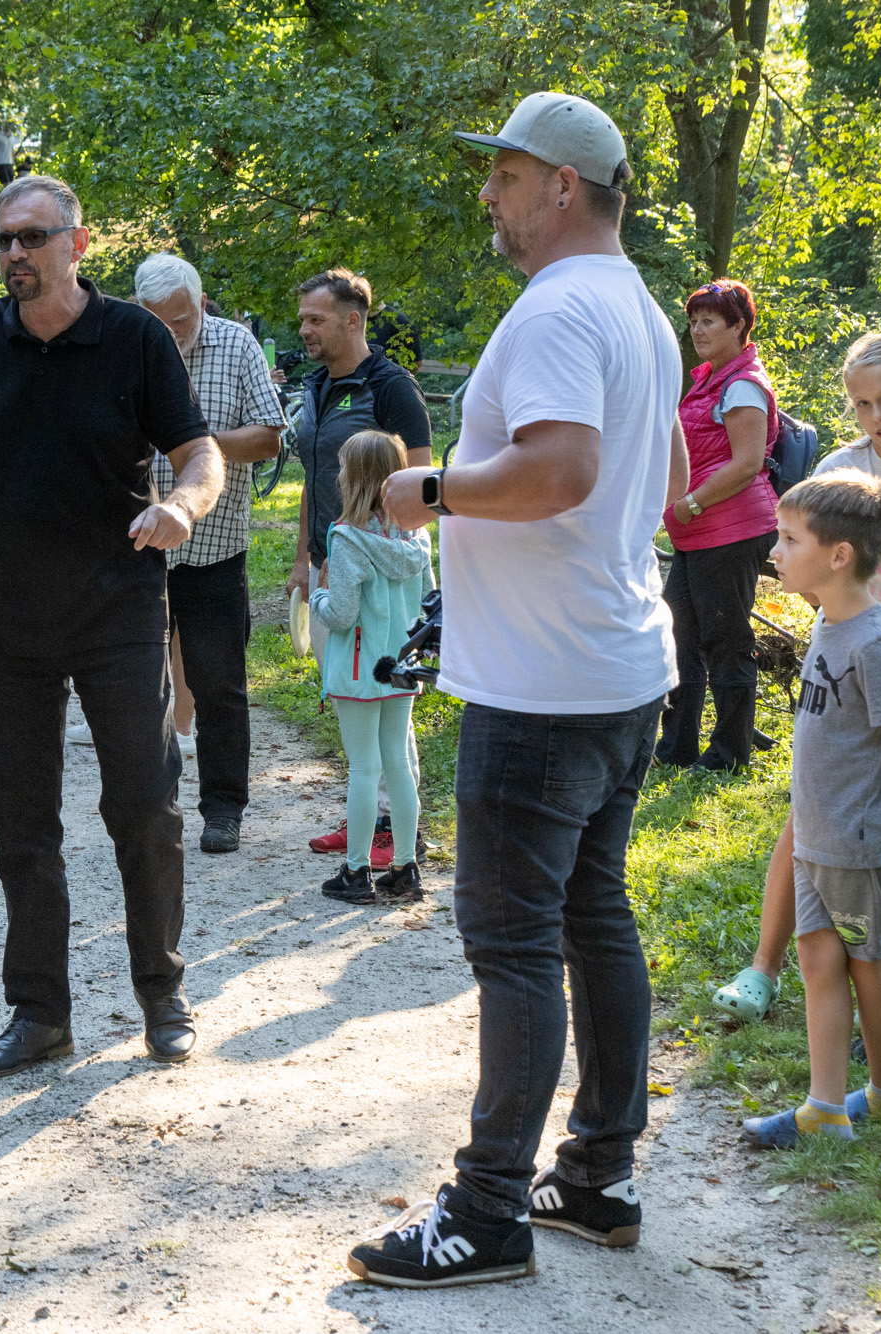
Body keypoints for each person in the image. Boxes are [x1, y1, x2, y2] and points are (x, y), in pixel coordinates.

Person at [346, 91, 686, 1289]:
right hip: (615, 664)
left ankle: (487, 1209)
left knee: (512, 943)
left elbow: (560, 469)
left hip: (543, 686)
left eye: (501, 172)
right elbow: (663, 469)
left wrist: (430, 491)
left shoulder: (556, 308)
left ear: (559, 185)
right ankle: (594, 1176)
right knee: (593, 917)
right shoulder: (638, 308)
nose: (486, 192)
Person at [0, 174, 222, 1076]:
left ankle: (162, 992)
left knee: (143, 805)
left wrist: (184, 505)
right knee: (22, 825)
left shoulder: (135, 337)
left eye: (31, 238)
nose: (14, 256)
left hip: (118, 610)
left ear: (76, 243)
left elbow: (200, 452)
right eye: (3, 242)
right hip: (7, 619)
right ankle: (39, 1015)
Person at [711, 330, 881, 1022]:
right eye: (861, 403)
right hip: (848, 659)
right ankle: (766, 964)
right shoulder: (845, 471)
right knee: (809, 814)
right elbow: (804, 558)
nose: (878, 414)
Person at [741, 471, 881, 1148]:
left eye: (789, 538)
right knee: (819, 963)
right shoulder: (829, 621)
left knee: (869, 963)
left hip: (858, 844)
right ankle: (824, 1108)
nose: (775, 549)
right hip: (816, 839)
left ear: (838, 555)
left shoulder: (876, 645)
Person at [279, 268, 434, 870]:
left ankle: (400, 833)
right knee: (356, 708)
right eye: (302, 319)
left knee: (391, 714)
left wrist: (385, 563)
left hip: (379, 578)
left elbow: (422, 492)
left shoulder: (392, 389)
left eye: (315, 319)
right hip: (330, 565)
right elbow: (318, 481)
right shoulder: (315, 386)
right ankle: (367, 816)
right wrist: (303, 558)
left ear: (352, 320)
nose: (304, 329)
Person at [130, 252, 285, 854]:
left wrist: (192, 445)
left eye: (185, 317)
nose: (178, 331)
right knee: (138, 685)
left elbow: (270, 437)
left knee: (220, 685)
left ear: (200, 300)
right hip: (139, 546)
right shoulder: (125, 341)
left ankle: (224, 810)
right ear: (143, 311)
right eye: (163, 322)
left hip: (216, 546)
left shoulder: (236, 344)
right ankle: (149, 804)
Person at [655, 277, 781, 774]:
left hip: (729, 529)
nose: (698, 330)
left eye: (709, 321)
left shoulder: (743, 384)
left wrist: (690, 502)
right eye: (693, 322)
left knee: (726, 643)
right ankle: (676, 749)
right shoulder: (710, 379)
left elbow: (747, 463)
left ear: (739, 326)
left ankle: (729, 755)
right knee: (680, 638)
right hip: (698, 533)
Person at [309, 430, 427, 904]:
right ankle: (405, 866)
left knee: (362, 768)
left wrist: (317, 595)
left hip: (359, 670)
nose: (337, 474)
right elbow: (426, 600)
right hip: (400, 664)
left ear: (355, 478)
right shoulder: (417, 536)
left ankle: (357, 871)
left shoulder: (348, 538)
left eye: (342, 467)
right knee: (397, 764)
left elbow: (339, 614)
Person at [0, 120, 21, 186]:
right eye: (8, 124)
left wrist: (13, 161)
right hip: (0, 162)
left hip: (9, 163)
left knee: (11, 184)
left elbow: (12, 149)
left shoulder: (12, 135)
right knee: (7, 184)